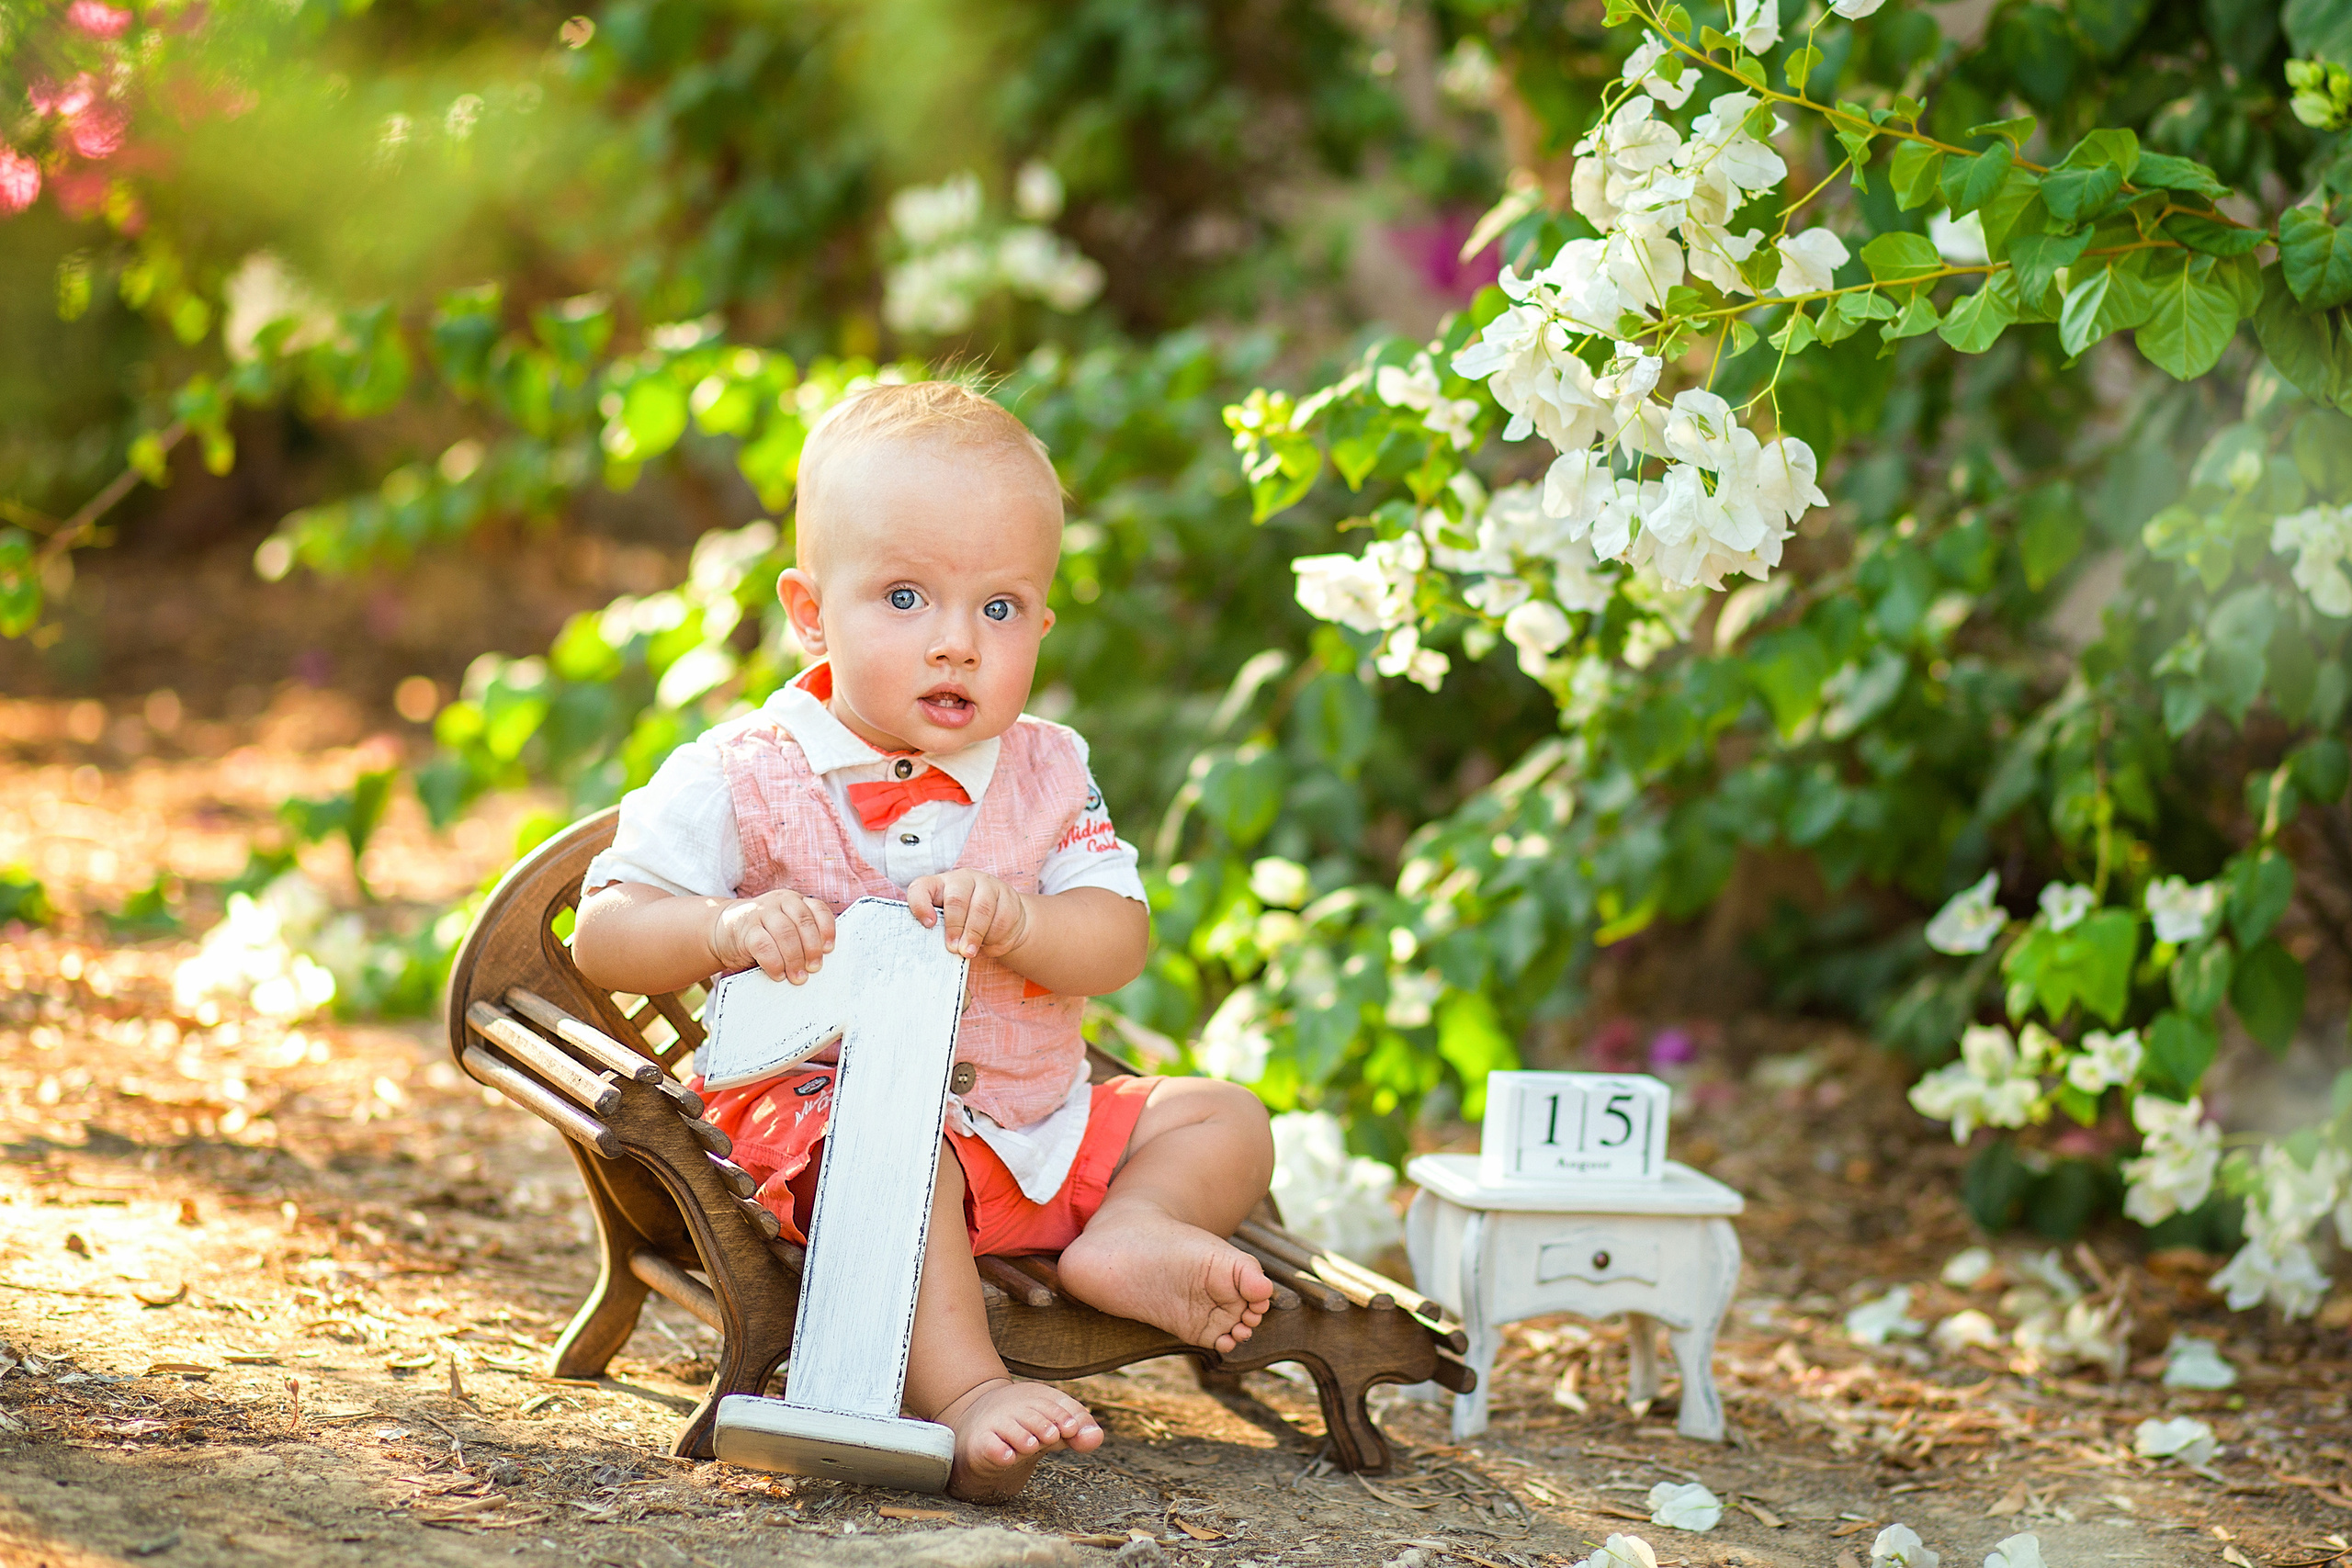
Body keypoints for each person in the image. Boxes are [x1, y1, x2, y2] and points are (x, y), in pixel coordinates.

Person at [571, 380, 1276, 1501]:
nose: (956, 643)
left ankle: (1129, 1234)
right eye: (905, 598)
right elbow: (605, 934)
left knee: (1223, 1116)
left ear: (1041, 622)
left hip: (1036, 1120)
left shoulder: (1049, 768)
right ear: (810, 610)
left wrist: (1029, 923)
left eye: (998, 609)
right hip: (833, 1126)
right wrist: (726, 927)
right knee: (905, 1162)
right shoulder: (741, 769)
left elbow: (1117, 938)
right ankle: (963, 1391)